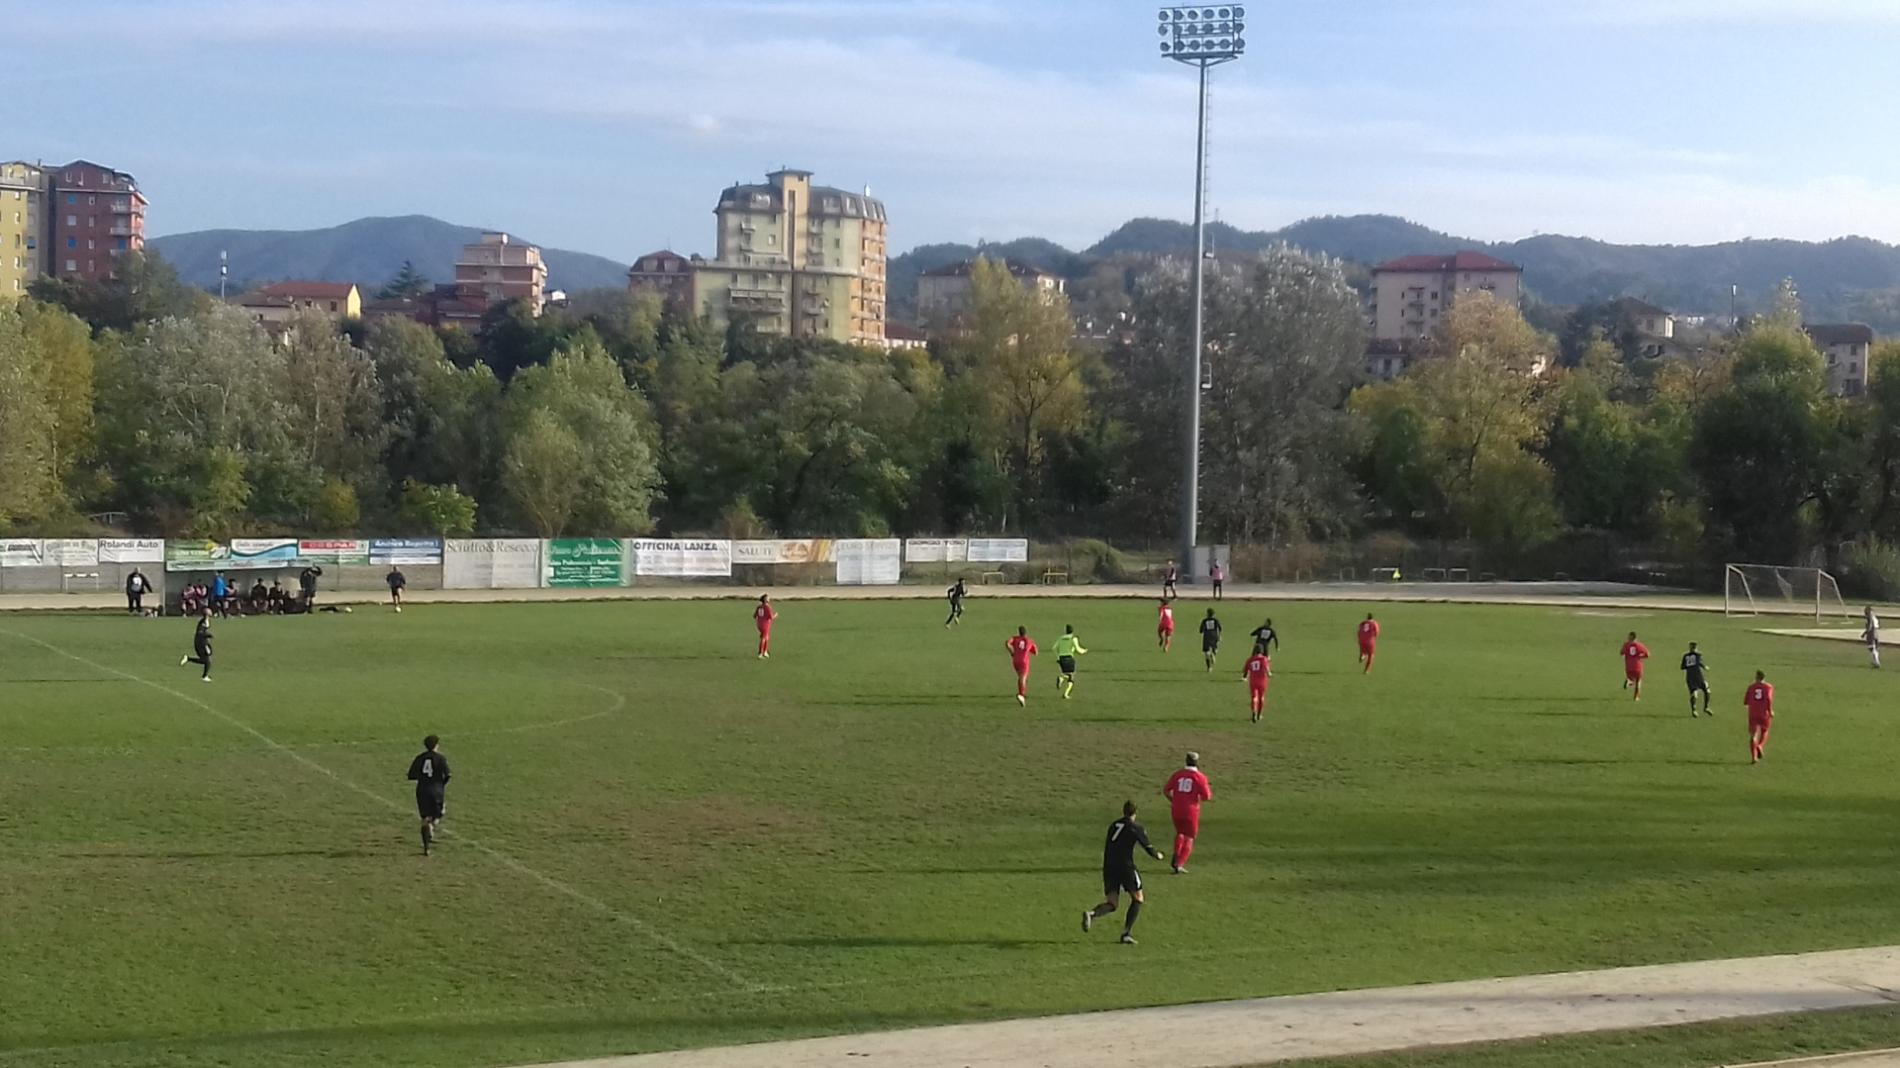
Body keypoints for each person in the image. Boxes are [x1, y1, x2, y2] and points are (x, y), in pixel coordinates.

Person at [1082, 800, 1167, 946]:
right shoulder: (1135, 827)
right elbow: (1148, 847)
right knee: (1138, 898)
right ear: (1135, 813)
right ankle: (1126, 933)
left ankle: (1092, 914)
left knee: (1112, 903)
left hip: (1109, 866)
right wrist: (1158, 855)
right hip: (1125, 867)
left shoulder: (1114, 825)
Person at [1162, 752, 1212, 874]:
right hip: (1191, 811)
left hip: (1176, 809)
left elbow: (1166, 790)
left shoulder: (1178, 775)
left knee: (1180, 833)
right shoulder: (1199, 777)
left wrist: (1174, 800)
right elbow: (1207, 796)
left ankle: (1176, 853)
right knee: (1190, 836)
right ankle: (1180, 863)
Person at [406, 734, 452, 856]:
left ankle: (426, 848)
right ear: (436, 745)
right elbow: (448, 775)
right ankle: (432, 824)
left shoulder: (420, 758)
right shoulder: (441, 758)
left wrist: (422, 777)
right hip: (437, 790)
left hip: (422, 790)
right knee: (439, 812)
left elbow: (411, 775)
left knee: (424, 818)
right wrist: (441, 784)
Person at [1744, 670, 1775, 764]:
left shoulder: (1751, 687)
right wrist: (1770, 711)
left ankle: (1754, 757)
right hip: (1764, 713)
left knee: (1753, 735)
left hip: (1753, 713)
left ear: (1756, 677)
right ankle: (1760, 746)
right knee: (1764, 731)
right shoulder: (1768, 687)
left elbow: (1745, 701)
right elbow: (1769, 699)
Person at [1053, 624, 1087, 699]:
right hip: (1069, 658)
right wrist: (1084, 651)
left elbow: (1054, 648)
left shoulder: (1061, 638)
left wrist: (1058, 657)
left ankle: (1062, 680)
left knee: (1067, 674)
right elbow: (1078, 649)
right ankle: (1065, 692)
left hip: (1061, 658)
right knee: (1071, 676)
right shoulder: (1073, 639)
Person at [1006, 626, 1038, 706]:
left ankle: (1022, 692)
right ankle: (1021, 695)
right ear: (1026, 633)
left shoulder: (1015, 638)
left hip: (1015, 660)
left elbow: (1007, 643)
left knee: (1021, 677)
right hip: (1024, 661)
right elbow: (1036, 652)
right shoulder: (1029, 641)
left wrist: (1012, 652)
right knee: (1023, 678)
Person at [179, 607, 214, 682]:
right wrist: (207, 635)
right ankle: (204, 676)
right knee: (207, 659)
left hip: (202, 641)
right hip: (201, 642)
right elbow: (200, 633)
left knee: (205, 660)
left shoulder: (206, 621)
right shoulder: (204, 622)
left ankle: (188, 658)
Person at [1243, 642, 1272, 723]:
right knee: (1261, 697)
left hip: (1253, 681)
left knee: (1254, 697)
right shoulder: (1264, 659)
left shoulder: (1250, 659)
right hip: (1262, 681)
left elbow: (1245, 671)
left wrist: (1245, 676)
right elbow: (1267, 669)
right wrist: (1269, 673)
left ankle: (1254, 713)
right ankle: (1259, 715)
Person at [1681, 642, 1712, 717]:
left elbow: (1682, 667)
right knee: (1706, 690)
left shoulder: (1685, 656)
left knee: (1695, 693)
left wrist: (1689, 666)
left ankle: (1694, 710)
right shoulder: (1698, 655)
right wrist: (1705, 667)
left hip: (1690, 677)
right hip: (1698, 675)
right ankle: (1706, 707)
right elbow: (1700, 662)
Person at [1620, 631, 1650, 700]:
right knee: (1638, 681)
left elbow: (1621, 653)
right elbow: (1648, 654)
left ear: (1630, 637)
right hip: (1637, 666)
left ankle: (1629, 681)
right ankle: (1636, 697)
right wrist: (1640, 656)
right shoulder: (1639, 645)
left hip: (1628, 667)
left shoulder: (1626, 645)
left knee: (1631, 679)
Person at [753, 594, 777, 659]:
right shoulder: (768, 607)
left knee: (766, 637)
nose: (769, 599)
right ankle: (761, 653)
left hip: (759, 624)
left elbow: (754, 616)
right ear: (765, 600)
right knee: (763, 638)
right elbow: (771, 617)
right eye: (768, 598)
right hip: (765, 624)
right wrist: (775, 615)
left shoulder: (759, 607)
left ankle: (765, 651)